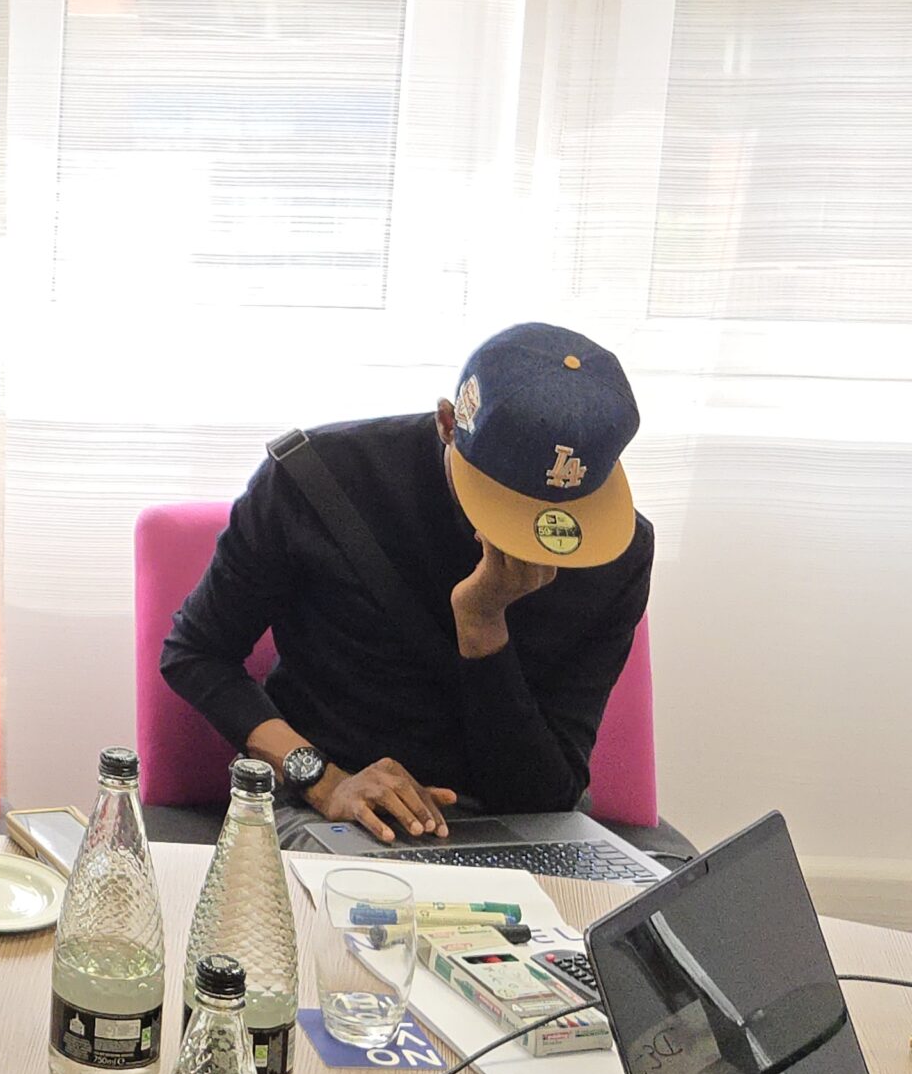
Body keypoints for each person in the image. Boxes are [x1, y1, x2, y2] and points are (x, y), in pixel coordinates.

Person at [160, 321, 654, 846]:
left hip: (514, 820)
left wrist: (483, 626)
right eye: (504, 502)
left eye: (553, 514)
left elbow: (545, 799)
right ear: (448, 423)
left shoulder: (615, 552)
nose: (523, 537)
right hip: (330, 804)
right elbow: (196, 653)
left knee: (630, 902)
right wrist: (324, 781)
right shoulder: (317, 479)